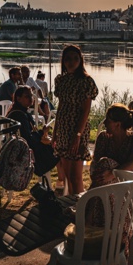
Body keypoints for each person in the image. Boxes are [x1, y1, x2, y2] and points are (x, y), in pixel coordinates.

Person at [51, 45, 98, 195]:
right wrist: (55, 131)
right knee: (67, 176)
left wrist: (78, 135)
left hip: (77, 128)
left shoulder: (86, 81)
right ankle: (71, 206)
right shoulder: (61, 80)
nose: (72, 62)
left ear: (81, 61)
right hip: (64, 128)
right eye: (68, 59)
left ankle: (79, 208)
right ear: (63, 61)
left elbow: (86, 110)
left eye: (75, 59)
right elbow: (61, 107)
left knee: (75, 176)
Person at [89, 103, 133, 188]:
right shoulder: (103, 137)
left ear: (118, 124)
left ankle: (90, 198)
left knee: (105, 162)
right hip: (105, 186)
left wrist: (112, 174)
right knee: (103, 164)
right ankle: (93, 198)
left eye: (108, 120)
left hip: (128, 187)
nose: (104, 123)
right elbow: (96, 163)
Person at [6, 86, 56, 176]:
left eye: (31, 96)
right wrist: (42, 134)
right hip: (24, 149)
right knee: (57, 149)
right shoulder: (19, 115)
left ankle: (61, 181)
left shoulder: (21, 111)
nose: (31, 98)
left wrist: (42, 132)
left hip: (22, 145)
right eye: (27, 96)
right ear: (18, 98)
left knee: (55, 145)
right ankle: (61, 181)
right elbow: (27, 138)